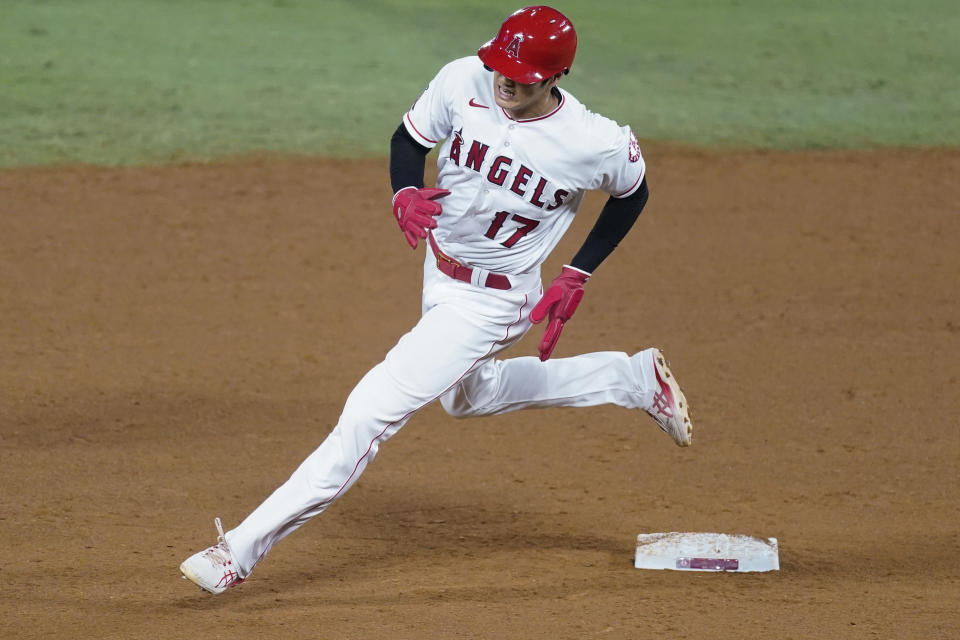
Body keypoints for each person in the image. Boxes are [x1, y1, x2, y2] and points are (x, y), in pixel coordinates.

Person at [179, 5, 693, 595]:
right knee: (469, 398)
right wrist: (403, 190)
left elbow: (633, 192)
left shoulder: (593, 142)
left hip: (492, 304)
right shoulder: (462, 79)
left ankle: (238, 551)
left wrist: (578, 270)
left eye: (522, 76)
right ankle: (629, 378)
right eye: (501, 65)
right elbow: (409, 138)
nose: (505, 80)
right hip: (440, 272)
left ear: (556, 78)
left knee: (369, 412)